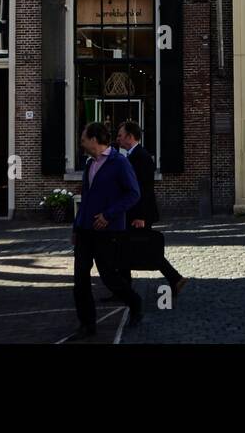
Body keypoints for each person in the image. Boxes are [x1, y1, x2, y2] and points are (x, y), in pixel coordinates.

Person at [67, 121, 142, 340]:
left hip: (108, 232)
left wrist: (109, 215)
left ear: (94, 139)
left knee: (109, 277)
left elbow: (133, 193)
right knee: (80, 279)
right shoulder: (89, 164)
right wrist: (75, 227)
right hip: (84, 231)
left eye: (83, 138)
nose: (80, 142)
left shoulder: (119, 162)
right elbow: (87, 198)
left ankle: (135, 302)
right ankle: (87, 325)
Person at [116, 121, 189, 299]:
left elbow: (144, 188)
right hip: (134, 212)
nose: (117, 139)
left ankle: (175, 278)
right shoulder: (134, 156)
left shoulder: (140, 157)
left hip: (138, 214)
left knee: (143, 248)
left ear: (130, 137)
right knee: (125, 249)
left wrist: (140, 215)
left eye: (120, 135)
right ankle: (124, 288)